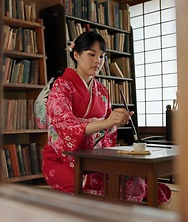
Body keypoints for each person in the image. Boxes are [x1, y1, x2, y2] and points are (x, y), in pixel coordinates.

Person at [42, 31, 170, 203]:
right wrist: (105, 122)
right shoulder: (62, 86)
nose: (97, 61)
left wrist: (116, 119)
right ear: (76, 54)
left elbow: (106, 130)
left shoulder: (102, 90)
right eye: (91, 54)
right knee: (107, 187)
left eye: (102, 56)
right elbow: (63, 125)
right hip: (63, 161)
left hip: (92, 160)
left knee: (131, 180)